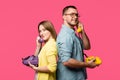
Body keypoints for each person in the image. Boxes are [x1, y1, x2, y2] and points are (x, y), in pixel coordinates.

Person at [56, 5, 98, 80]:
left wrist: (82, 32)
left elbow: (87, 46)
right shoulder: (65, 36)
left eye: (76, 15)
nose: (75, 17)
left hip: (78, 77)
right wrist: (87, 64)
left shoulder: (72, 34)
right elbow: (66, 61)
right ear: (64, 17)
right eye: (72, 14)